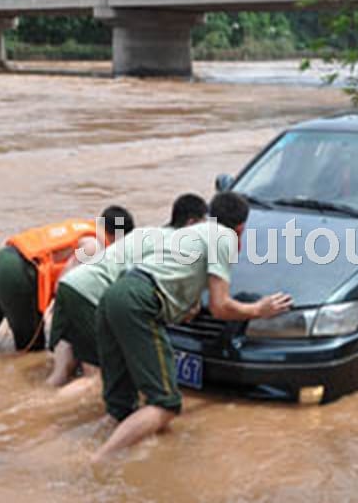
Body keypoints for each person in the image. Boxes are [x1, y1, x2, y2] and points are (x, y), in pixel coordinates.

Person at [92, 193, 292, 462]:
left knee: (120, 406)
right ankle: (97, 460)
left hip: (113, 295)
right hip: (138, 303)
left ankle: (94, 447)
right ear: (241, 227)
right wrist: (259, 310)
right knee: (166, 404)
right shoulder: (224, 238)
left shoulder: (192, 232)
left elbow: (176, 274)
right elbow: (220, 307)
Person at [0, 206, 135, 368]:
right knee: (32, 352)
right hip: (18, 276)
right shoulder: (95, 245)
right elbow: (67, 281)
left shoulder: (80, 227)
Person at [46, 195, 209, 388]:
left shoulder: (147, 232)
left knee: (63, 371)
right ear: (191, 223)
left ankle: (38, 402)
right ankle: (35, 411)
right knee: (95, 378)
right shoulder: (176, 246)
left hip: (70, 287)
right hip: (90, 296)